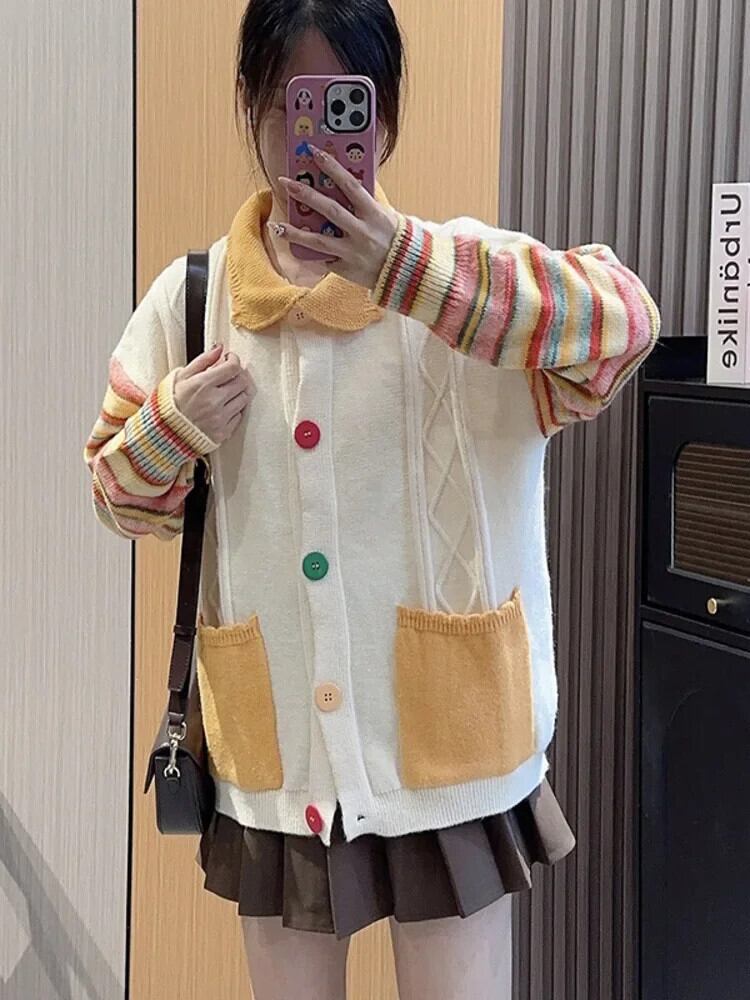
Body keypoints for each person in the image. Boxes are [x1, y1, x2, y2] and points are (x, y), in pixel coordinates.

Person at [82, 1, 661, 997]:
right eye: (289, 104)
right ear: (252, 106)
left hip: (453, 759)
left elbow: (625, 324)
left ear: (384, 118)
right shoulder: (195, 299)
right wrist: (172, 422)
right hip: (280, 766)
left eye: (344, 107)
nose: (315, 142)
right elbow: (118, 499)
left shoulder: (464, 277)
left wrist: (410, 270)